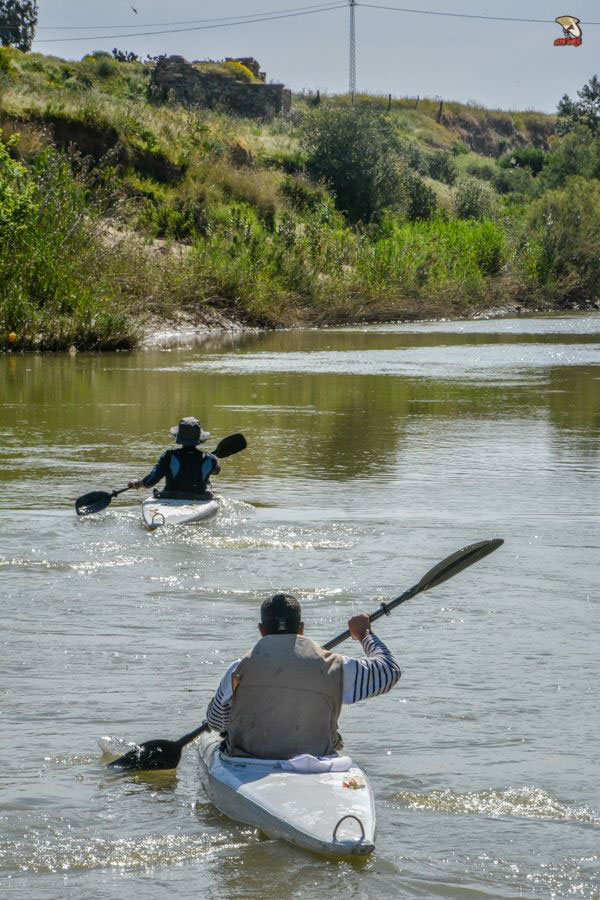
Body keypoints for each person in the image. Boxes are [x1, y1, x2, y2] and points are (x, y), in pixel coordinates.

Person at [205, 592, 401, 759]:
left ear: (261, 630)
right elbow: (389, 671)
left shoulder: (238, 669)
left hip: (250, 760)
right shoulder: (335, 666)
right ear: (301, 629)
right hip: (316, 761)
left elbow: (215, 721)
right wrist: (364, 634)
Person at [128, 416, 221, 499]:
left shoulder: (169, 456)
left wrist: (137, 484)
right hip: (199, 498)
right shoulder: (211, 459)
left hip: (169, 497)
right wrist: (214, 460)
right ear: (199, 438)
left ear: (179, 437)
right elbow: (216, 471)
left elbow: (151, 480)